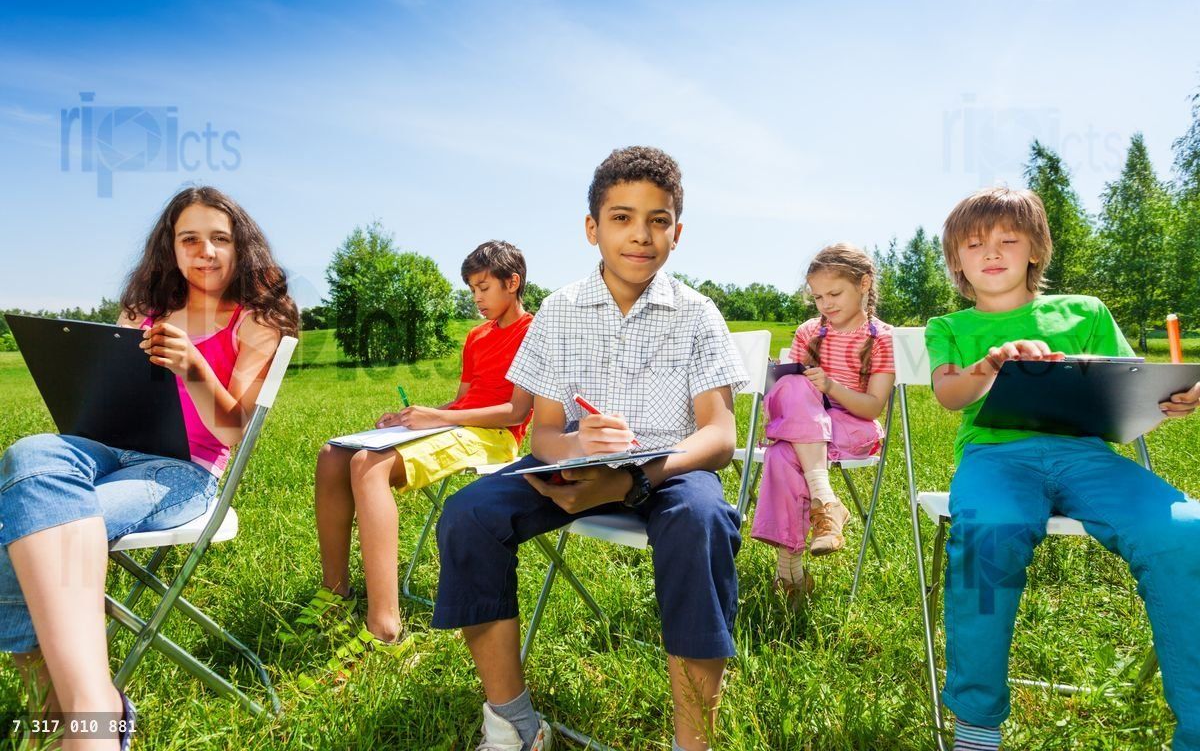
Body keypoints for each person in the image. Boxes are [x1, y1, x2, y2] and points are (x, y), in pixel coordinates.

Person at [432, 146, 748, 751]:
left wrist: (633, 481)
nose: (640, 235)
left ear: (677, 234)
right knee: (468, 514)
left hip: (671, 469)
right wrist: (577, 444)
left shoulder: (697, 313)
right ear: (592, 228)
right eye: (622, 217)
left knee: (702, 520)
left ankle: (693, 742)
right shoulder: (560, 311)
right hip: (575, 467)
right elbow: (545, 433)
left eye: (658, 220)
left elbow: (718, 436)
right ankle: (514, 724)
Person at [0, 185, 296, 749]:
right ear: (170, 247)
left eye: (220, 239)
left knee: (22, 523)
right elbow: (107, 395)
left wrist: (194, 368)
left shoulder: (255, 320)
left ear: (241, 246)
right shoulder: (144, 312)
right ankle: (85, 700)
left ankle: (70, 711)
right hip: (107, 447)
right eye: (189, 239)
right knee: (30, 453)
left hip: (186, 469)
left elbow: (235, 430)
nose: (205, 252)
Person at [925, 186, 1200, 751]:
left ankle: (1195, 724)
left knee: (1183, 530)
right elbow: (949, 396)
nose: (991, 252)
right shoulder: (948, 327)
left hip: (1087, 455)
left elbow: (1125, 390)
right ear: (956, 260)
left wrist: (1170, 399)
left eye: (1008, 240)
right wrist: (990, 366)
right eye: (974, 244)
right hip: (995, 458)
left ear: (1035, 249)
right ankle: (977, 720)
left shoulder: (1085, 311)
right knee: (987, 534)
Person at [288, 241, 534, 684]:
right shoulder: (477, 337)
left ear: (512, 282)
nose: (476, 298)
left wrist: (439, 419)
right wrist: (414, 417)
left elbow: (516, 412)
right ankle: (336, 591)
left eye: (483, 288)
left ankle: (385, 628)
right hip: (459, 426)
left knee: (369, 464)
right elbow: (461, 402)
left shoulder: (534, 332)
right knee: (332, 455)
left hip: (496, 438)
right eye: (472, 289)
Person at [749, 243, 894, 600]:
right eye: (818, 297)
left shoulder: (881, 338)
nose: (826, 303)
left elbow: (873, 407)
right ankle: (825, 503)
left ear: (863, 284)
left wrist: (830, 386)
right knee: (793, 392)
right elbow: (788, 392)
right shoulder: (808, 332)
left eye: (834, 293)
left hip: (853, 425)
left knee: (783, 452)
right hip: (806, 425)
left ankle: (790, 571)